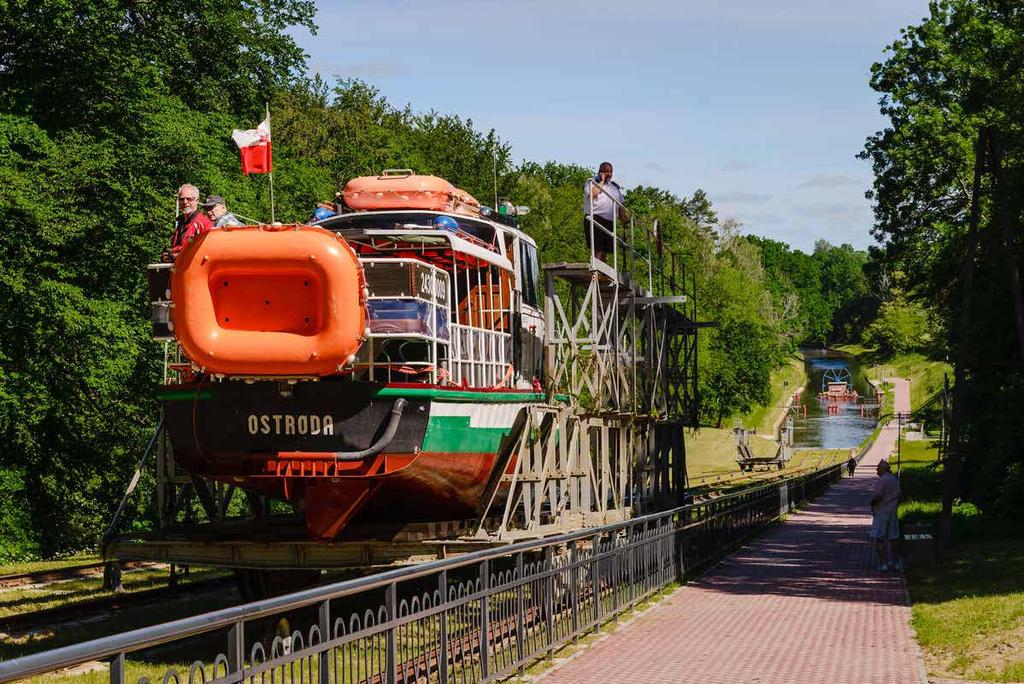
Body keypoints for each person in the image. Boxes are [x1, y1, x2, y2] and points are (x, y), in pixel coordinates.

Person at [583, 162, 627, 262]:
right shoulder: (591, 182)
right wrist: (602, 181)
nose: (609, 174)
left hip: (610, 222)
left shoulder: (614, 187)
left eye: (611, 172)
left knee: (605, 251)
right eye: (606, 171)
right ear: (600, 172)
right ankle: (596, 270)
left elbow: (620, 205)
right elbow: (593, 194)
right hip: (595, 218)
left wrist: (623, 219)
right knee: (598, 249)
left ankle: (602, 272)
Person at [869, 459, 901, 571]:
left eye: (878, 468)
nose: (876, 470)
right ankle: (896, 562)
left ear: (883, 469)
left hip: (881, 512)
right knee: (893, 538)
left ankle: (884, 563)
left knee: (879, 538)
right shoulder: (894, 479)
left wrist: (872, 503)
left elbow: (878, 496)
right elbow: (899, 494)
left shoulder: (882, 480)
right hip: (892, 511)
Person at [169, 184, 213, 256]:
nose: (185, 202)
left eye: (189, 199)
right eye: (182, 199)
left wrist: (175, 254)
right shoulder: (181, 223)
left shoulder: (204, 224)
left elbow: (204, 250)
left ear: (197, 201)